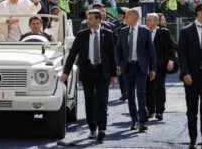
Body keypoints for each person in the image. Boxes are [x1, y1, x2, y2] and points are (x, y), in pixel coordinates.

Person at [60, 9, 117, 141]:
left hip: (102, 72)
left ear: (98, 20)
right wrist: (65, 73)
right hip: (88, 72)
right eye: (87, 18)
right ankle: (92, 129)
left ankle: (102, 129)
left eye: (91, 18)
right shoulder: (81, 35)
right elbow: (72, 55)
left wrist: (113, 75)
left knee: (102, 101)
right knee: (89, 102)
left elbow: (111, 56)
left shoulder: (107, 34)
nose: (87, 21)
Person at [178, 2, 202, 149]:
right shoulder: (186, 31)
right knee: (192, 110)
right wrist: (185, 73)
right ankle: (193, 139)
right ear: (199, 13)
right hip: (191, 77)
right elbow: (181, 54)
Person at [115, 8, 156, 132]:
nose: (124, 19)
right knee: (131, 95)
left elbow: (151, 52)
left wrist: (153, 68)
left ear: (134, 18)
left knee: (141, 93)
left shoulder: (145, 31)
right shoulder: (122, 31)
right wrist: (118, 64)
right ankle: (134, 120)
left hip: (141, 67)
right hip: (127, 67)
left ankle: (142, 121)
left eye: (127, 16)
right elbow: (117, 50)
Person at [145, 13, 177, 121]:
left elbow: (171, 48)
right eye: (146, 20)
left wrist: (171, 61)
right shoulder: (143, 32)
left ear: (156, 22)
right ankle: (150, 110)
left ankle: (159, 111)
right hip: (146, 65)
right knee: (148, 88)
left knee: (159, 87)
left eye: (149, 20)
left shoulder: (163, 32)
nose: (147, 22)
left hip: (160, 65)